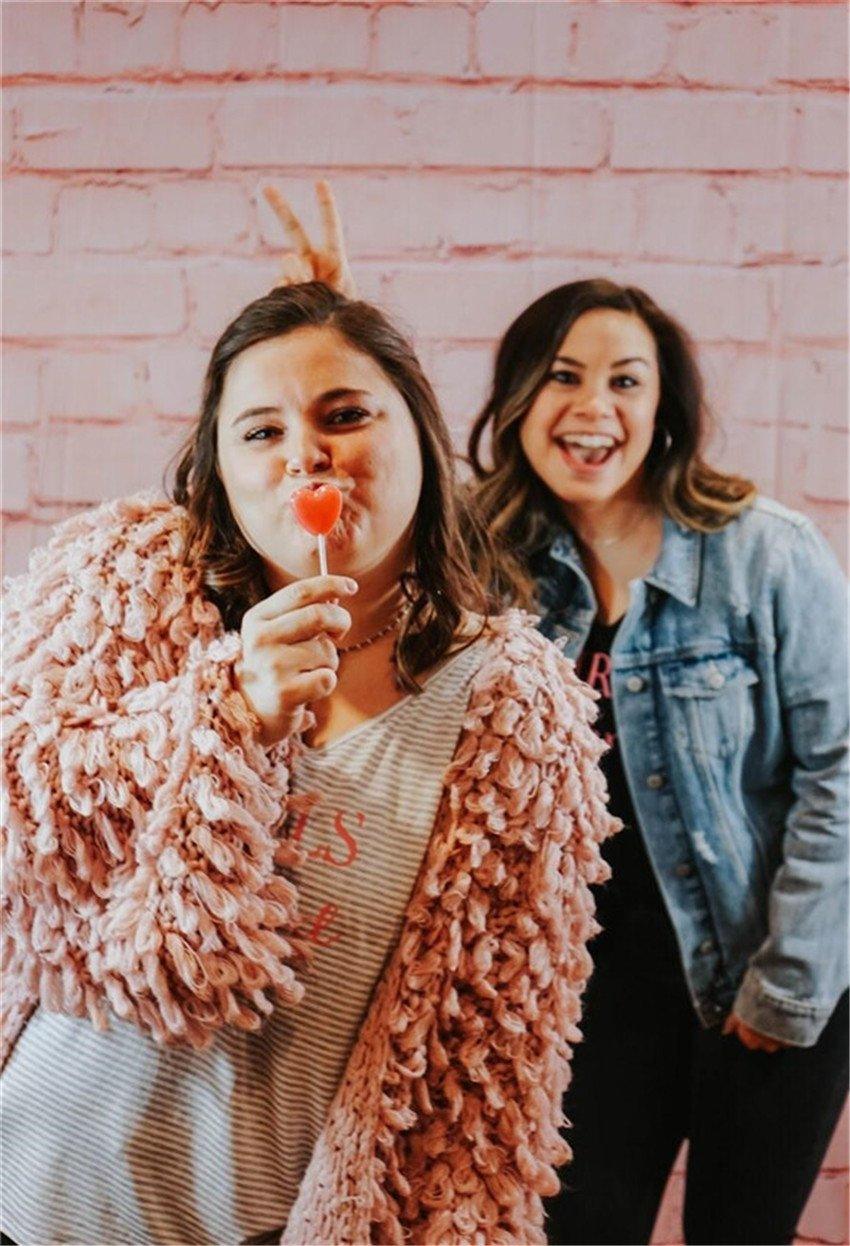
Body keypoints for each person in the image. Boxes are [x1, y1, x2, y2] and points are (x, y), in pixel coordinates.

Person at [0, 253, 618, 1242]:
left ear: (418, 431)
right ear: (220, 469)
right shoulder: (119, 585)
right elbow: (20, 814)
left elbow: (484, 1075)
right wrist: (219, 710)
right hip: (27, 1188)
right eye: (262, 430)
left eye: (344, 415)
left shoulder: (514, 713)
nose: (306, 454)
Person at [465, 278, 849, 1246]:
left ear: (661, 409)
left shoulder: (762, 554)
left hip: (760, 970)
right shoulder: (492, 563)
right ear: (516, 400)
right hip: (585, 996)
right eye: (562, 376)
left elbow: (839, 770)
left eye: (625, 381)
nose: (593, 407)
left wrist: (786, 984)